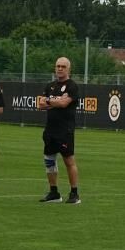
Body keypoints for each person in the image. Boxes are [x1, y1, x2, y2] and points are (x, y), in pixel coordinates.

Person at [39, 57, 81, 204]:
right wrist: (55, 102)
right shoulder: (50, 86)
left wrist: (50, 101)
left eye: (63, 66)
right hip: (50, 130)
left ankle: (74, 193)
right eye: (58, 66)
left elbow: (64, 104)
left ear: (69, 69)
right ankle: (54, 192)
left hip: (65, 130)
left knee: (69, 160)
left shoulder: (72, 86)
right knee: (49, 161)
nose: (60, 69)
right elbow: (41, 104)